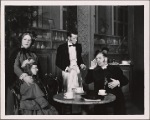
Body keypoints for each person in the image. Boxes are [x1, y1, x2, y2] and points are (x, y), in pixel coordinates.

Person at [13, 32, 58, 115]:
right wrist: (24, 76)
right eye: (25, 39)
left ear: (31, 42)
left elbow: (39, 71)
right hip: (20, 81)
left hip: (34, 79)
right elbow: (15, 67)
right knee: (31, 84)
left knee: (36, 84)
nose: (27, 41)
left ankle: (42, 106)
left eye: (29, 40)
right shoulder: (17, 53)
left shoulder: (34, 55)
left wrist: (35, 73)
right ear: (21, 40)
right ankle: (43, 103)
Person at [85, 50, 128, 115]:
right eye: (96, 58)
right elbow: (87, 81)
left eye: (100, 58)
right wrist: (91, 68)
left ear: (105, 58)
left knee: (120, 104)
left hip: (115, 97)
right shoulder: (95, 71)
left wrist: (118, 82)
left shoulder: (115, 69)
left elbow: (125, 80)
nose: (98, 60)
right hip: (101, 99)